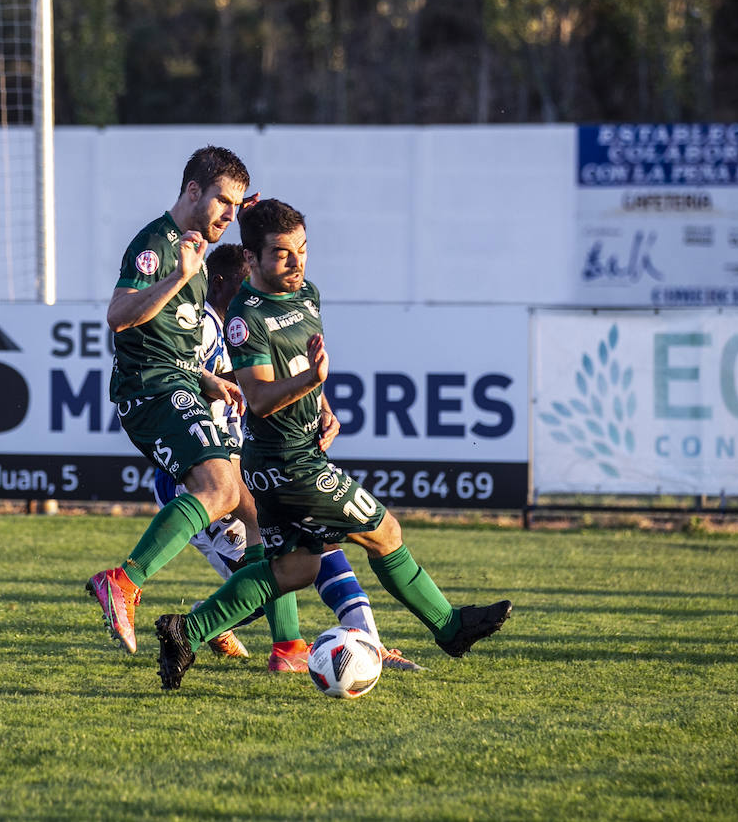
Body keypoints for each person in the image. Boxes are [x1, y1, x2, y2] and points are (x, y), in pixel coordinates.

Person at [153, 198, 512, 690]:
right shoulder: (245, 318)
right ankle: (450, 627)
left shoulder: (308, 296)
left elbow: (300, 374)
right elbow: (257, 398)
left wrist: (320, 405)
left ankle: (187, 631)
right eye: (282, 255)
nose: (297, 262)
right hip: (287, 462)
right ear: (251, 260)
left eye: (302, 250)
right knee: (385, 531)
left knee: (296, 567)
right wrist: (312, 381)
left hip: (293, 455)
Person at [152, 243, 423, 672]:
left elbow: (289, 380)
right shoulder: (205, 322)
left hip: (251, 466)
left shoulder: (258, 323)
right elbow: (168, 372)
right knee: (269, 578)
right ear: (221, 284)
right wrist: (218, 380)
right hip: (203, 474)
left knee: (317, 545)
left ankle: (369, 644)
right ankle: (223, 630)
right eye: (248, 284)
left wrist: (322, 409)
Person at [87, 145, 304, 660]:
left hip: (179, 383)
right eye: (222, 202)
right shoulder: (157, 245)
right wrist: (178, 276)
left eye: (235, 206)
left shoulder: (198, 252)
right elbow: (119, 317)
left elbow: (172, 340)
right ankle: (124, 580)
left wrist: (208, 379)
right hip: (150, 390)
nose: (229, 215)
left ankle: (289, 645)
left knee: (258, 507)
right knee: (220, 488)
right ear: (192, 191)